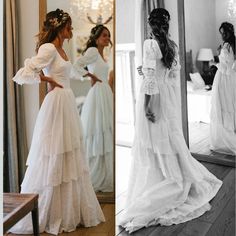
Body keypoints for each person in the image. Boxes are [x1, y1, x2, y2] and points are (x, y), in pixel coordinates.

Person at [118, 8, 222, 233]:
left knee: (154, 141)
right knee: (168, 138)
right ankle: (171, 173)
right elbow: (168, 74)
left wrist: (146, 105)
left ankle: (162, 180)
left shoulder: (149, 44)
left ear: (150, 24)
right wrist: (146, 72)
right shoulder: (171, 45)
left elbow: (151, 80)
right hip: (168, 98)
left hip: (154, 98)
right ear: (167, 23)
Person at [10, 9, 105, 235]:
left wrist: (88, 76)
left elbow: (69, 74)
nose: (71, 30)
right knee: (53, 153)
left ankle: (70, 210)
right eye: (69, 27)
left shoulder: (61, 49)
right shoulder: (49, 47)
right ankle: (49, 212)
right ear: (61, 27)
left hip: (67, 102)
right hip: (56, 104)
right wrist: (45, 78)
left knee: (69, 154)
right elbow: (24, 72)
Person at [73, 25, 113, 192]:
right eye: (104, 35)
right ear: (96, 38)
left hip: (105, 92)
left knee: (106, 131)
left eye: (108, 35)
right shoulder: (93, 52)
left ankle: (106, 171)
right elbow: (76, 65)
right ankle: (94, 172)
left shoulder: (103, 55)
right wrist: (89, 75)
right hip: (97, 94)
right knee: (97, 130)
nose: (107, 38)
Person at [210, 22, 236, 155]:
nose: (222, 35)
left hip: (224, 78)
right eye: (221, 33)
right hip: (232, 78)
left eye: (224, 33)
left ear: (229, 32)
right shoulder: (233, 44)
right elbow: (232, 65)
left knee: (223, 105)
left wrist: (214, 63)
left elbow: (225, 67)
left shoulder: (226, 45)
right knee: (229, 105)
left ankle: (227, 140)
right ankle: (230, 134)